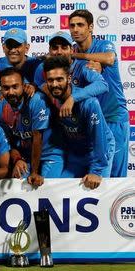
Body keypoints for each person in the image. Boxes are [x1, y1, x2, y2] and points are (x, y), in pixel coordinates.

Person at [69, 9, 128, 177]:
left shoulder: (104, 45)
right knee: (95, 175)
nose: (75, 29)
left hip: (113, 117)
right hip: (91, 121)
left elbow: (109, 58)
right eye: (72, 26)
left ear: (91, 27)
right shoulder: (70, 52)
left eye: (80, 25)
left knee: (116, 177)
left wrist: (79, 56)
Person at [44, 56, 114, 189]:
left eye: (59, 79)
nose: (54, 84)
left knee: (97, 192)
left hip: (99, 150)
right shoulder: (50, 98)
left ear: (69, 79)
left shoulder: (89, 103)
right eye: (50, 80)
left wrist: (96, 171)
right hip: (76, 153)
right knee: (60, 190)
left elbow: (98, 139)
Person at [0, 67, 64, 186]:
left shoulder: (36, 101)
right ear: (0, 88)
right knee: (19, 187)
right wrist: (17, 159)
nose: (10, 92)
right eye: (6, 88)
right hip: (26, 157)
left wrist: (35, 172)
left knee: (47, 188)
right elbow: (9, 142)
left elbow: (37, 137)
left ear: (23, 85)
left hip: (50, 154)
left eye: (15, 87)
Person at [33, 31, 108, 118]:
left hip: (85, 118)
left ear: (71, 50)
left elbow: (102, 84)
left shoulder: (84, 66)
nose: (59, 52)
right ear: (49, 50)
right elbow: (38, 86)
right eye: (55, 48)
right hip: (59, 120)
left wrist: (72, 98)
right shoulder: (42, 68)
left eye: (64, 47)